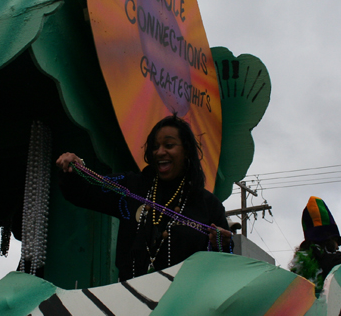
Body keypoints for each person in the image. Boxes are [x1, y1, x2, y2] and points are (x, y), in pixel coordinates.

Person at [57, 115, 232, 280]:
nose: (160, 152)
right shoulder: (131, 187)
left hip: (184, 305)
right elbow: (82, 192)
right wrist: (72, 169)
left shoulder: (209, 205)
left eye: (169, 145)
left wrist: (222, 244)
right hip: (131, 302)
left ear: (186, 151)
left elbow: (224, 264)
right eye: (155, 147)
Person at [289, 196, 341, 293]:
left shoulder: (298, 269)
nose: (337, 246)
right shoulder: (338, 263)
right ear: (328, 241)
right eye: (335, 240)